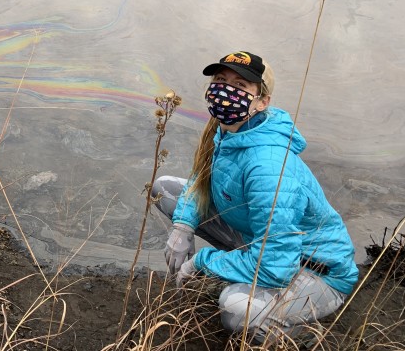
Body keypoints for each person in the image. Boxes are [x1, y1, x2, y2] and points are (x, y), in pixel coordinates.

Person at [151, 51, 358, 344]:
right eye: (221, 80)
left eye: (240, 85)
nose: (226, 91)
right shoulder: (229, 132)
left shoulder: (268, 166)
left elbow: (276, 268)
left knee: (236, 309)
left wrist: (203, 261)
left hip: (313, 270)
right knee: (165, 190)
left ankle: (303, 336)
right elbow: (201, 180)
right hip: (265, 242)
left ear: (263, 101)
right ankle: (244, 273)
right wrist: (182, 227)